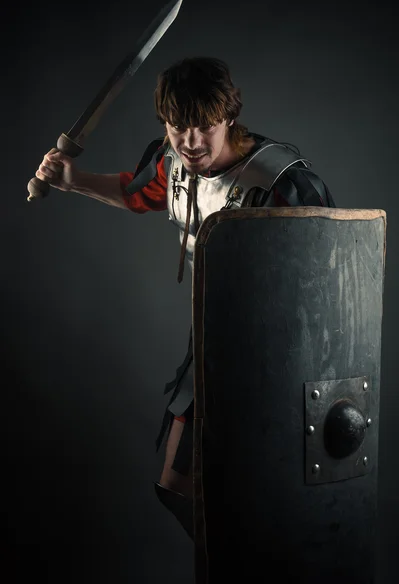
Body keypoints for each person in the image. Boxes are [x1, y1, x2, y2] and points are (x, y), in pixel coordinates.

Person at [33, 56, 336, 540]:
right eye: (178, 128)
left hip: (279, 360)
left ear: (229, 117)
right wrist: (74, 181)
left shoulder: (284, 185)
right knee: (181, 487)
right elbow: (136, 193)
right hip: (211, 343)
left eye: (204, 127)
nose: (191, 142)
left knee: (265, 498)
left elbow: (331, 285)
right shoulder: (169, 161)